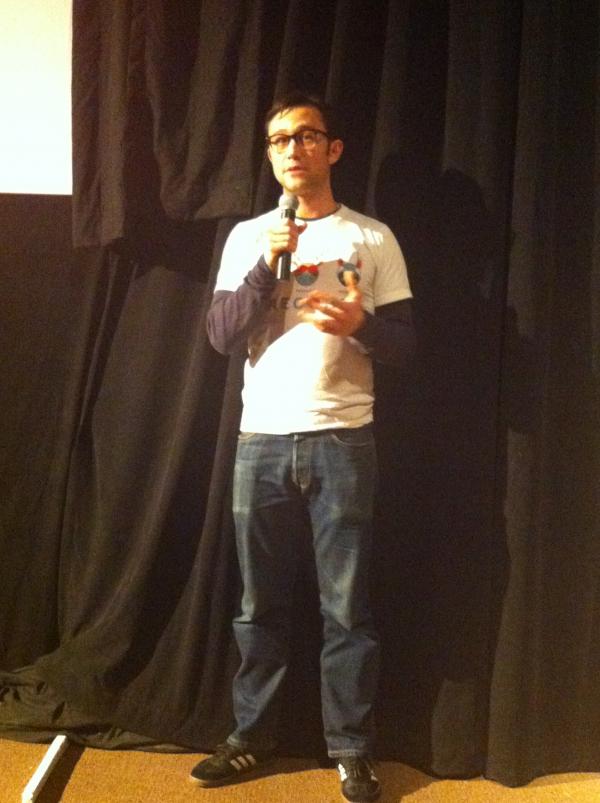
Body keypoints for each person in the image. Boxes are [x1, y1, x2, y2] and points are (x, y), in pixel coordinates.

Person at [190, 91, 415, 803]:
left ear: (333, 148)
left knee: (346, 610)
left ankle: (351, 748)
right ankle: (251, 736)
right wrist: (267, 264)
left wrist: (360, 326)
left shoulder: (372, 237)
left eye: (307, 135)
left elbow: (406, 346)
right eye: (279, 139)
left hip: (343, 440)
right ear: (270, 154)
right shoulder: (248, 237)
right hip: (261, 441)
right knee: (258, 606)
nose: (293, 148)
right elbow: (221, 335)